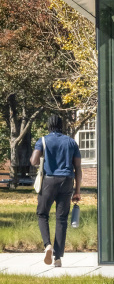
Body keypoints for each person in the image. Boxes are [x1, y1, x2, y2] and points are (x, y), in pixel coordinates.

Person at [30, 114, 81, 268]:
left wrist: (42, 157)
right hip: (67, 181)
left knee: (42, 214)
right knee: (62, 218)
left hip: (49, 181)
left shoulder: (43, 140)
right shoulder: (71, 142)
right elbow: (78, 168)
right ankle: (57, 257)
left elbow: (33, 161)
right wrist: (77, 191)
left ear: (48, 126)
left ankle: (47, 246)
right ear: (62, 125)